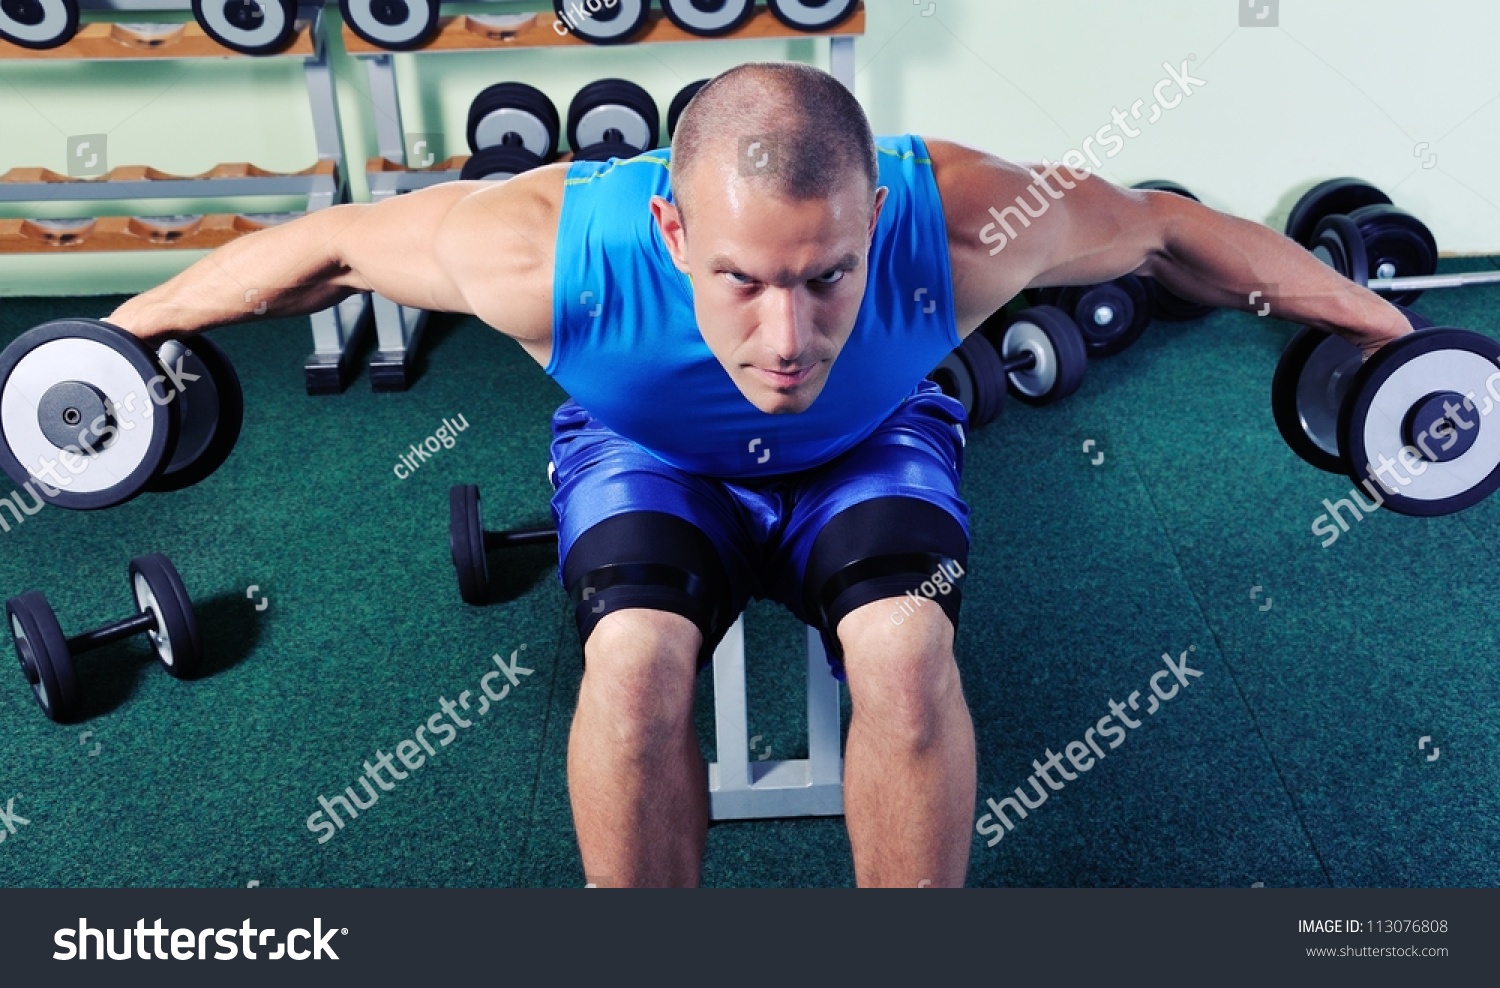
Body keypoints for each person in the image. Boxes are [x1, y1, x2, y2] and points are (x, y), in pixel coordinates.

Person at [108, 61, 1411, 887]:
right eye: (741, 281)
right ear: (672, 229)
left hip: (869, 445)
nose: (785, 340)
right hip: (652, 457)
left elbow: (1169, 236)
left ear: (878, 225)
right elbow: (326, 250)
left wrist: (1392, 347)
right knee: (631, 672)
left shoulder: (964, 218)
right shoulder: (541, 249)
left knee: (903, 654)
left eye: (827, 276)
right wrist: (115, 352)